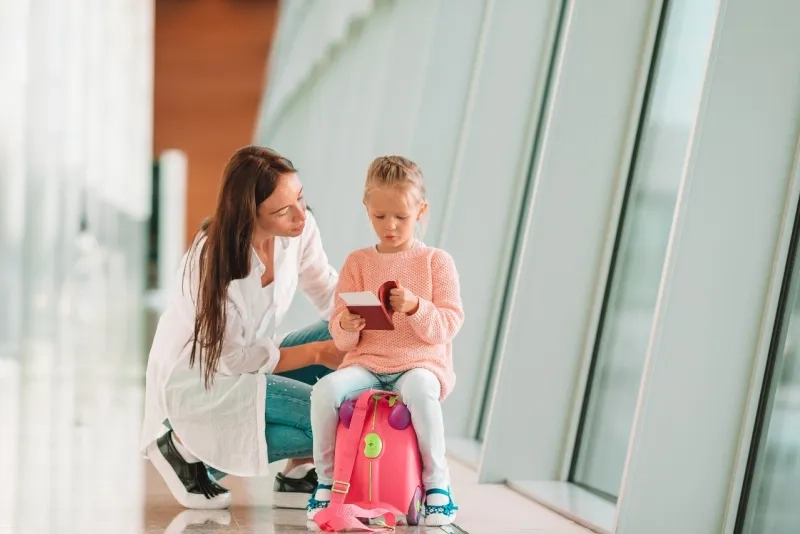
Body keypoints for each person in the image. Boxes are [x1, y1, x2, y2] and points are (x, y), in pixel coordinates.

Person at [139, 145, 346, 510]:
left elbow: (326, 288)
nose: (300, 216)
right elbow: (230, 360)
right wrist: (317, 353)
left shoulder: (299, 229)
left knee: (338, 328)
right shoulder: (211, 261)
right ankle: (184, 445)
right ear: (250, 214)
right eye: (283, 211)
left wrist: (369, 317)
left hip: (246, 363)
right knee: (332, 423)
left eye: (300, 198)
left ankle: (297, 472)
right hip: (201, 380)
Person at [306, 156, 464, 526]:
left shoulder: (436, 262)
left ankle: (437, 484)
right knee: (324, 392)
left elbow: (448, 325)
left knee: (422, 390)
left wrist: (415, 307)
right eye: (379, 217)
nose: (389, 226)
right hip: (367, 363)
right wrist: (347, 322)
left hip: (419, 363)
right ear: (367, 209)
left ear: (421, 211)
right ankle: (327, 482)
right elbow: (342, 338)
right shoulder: (357, 263)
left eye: (401, 217)